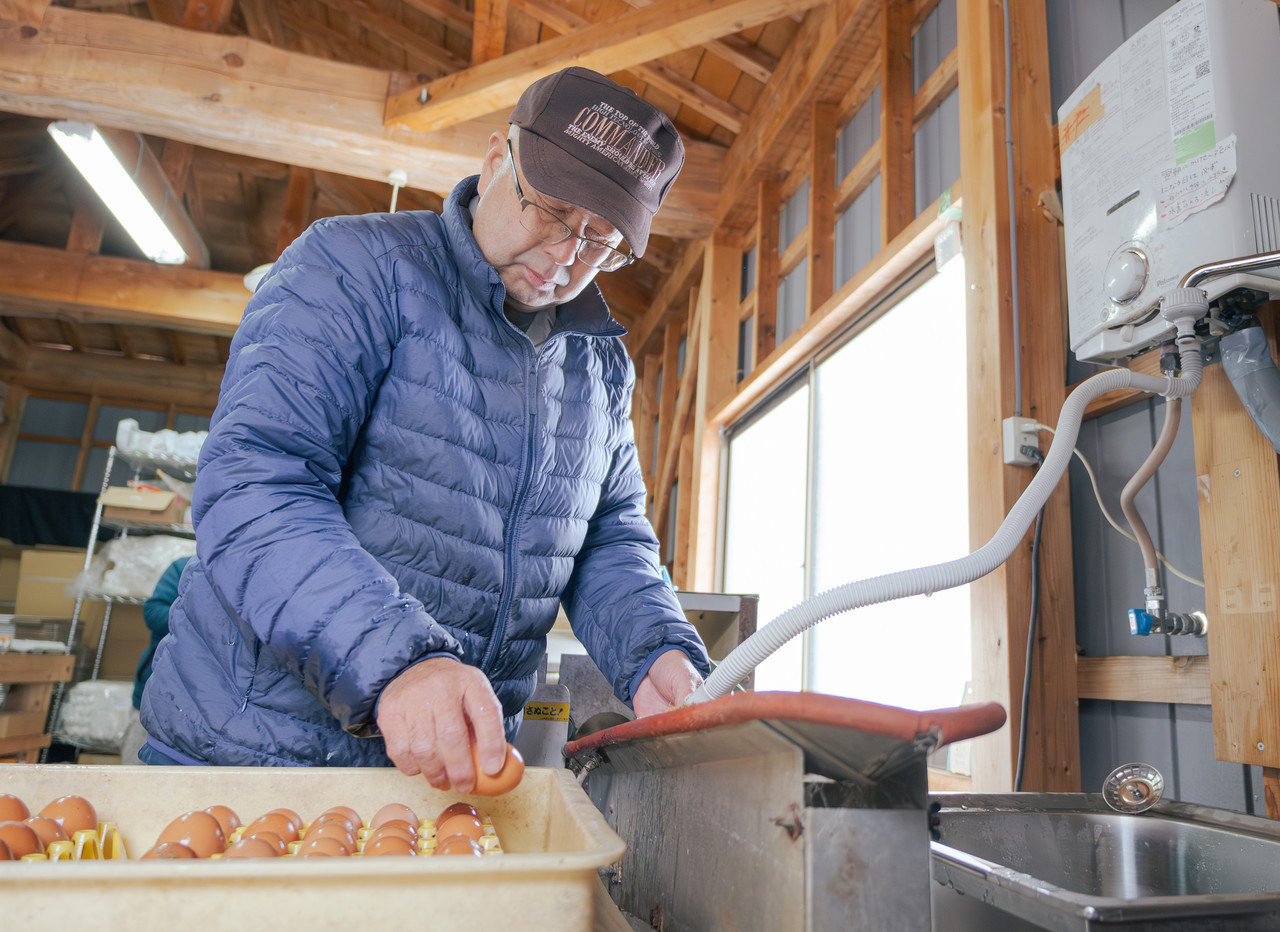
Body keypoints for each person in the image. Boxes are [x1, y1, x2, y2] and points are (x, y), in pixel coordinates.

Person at [140, 67, 711, 791]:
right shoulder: (353, 269)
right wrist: (399, 659)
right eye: (553, 211)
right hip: (253, 761)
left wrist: (655, 650)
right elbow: (256, 486)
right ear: (498, 161)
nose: (567, 256)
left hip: (445, 777)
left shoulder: (600, 365)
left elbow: (609, 535)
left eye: (601, 241)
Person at [119, 554, 191, 764]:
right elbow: (153, 612)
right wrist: (198, 619)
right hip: (156, 691)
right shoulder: (182, 567)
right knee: (136, 774)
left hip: (205, 704)